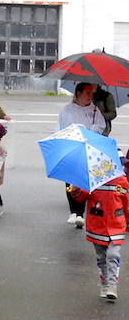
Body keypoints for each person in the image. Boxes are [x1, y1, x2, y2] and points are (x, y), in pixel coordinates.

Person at [68, 174, 129, 301]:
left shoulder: (122, 181)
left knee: (113, 255)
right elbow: (81, 197)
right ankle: (105, 284)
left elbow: (126, 203)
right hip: (97, 225)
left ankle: (112, 286)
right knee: (101, 257)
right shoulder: (93, 179)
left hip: (116, 225)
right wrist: (76, 190)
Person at [57, 82, 107, 227]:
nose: (90, 96)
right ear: (78, 93)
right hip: (71, 147)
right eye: (87, 93)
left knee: (83, 179)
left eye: (91, 93)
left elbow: (101, 126)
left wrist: (93, 128)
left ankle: (80, 213)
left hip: (87, 148)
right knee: (70, 179)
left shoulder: (95, 111)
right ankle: (73, 211)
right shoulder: (67, 110)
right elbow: (60, 127)